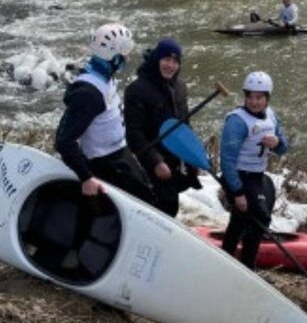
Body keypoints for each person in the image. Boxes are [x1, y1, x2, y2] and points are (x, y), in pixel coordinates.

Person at [55, 22, 154, 204]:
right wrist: (86, 177)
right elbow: (63, 141)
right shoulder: (88, 94)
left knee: (147, 196)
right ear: (113, 57)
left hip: (120, 155)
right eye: (124, 54)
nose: (128, 58)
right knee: (141, 203)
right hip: (105, 165)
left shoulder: (104, 77)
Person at [123, 37, 202, 218]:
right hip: (149, 159)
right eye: (166, 59)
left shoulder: (180, 88)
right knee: (163, 206)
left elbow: (185, 126)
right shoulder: (137, 90)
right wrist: (155, 161)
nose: (171, 65)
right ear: (156, 59)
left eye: (175, 61)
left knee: (171, 203)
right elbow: (134, 134)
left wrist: (193, 158)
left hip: (174, 158)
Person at [219, 71, 289, 270]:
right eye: (249, 96)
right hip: (239, 177)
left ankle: (231, 262)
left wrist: (277, 142)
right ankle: (246, 265)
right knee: (261, 218)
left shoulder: (272, 117)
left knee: (241, 221)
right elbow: (227, 160)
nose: (253, 101)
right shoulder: (237, 121)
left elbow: (283, 147)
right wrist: (237, 192)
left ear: (267, 98)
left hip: (258, 177)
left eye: (259, 97)